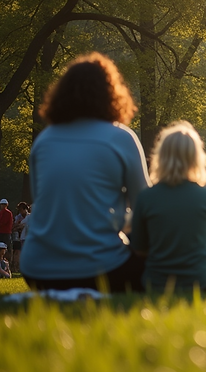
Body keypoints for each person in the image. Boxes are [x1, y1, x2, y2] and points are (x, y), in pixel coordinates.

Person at [20, 53, 149, 291]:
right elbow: (146, 207)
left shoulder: (43, 140)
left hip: (38, 271)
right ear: (112, 93)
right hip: (102, 270)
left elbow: (43, 203)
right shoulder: (121, 138)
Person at [130, 122, 206, 293]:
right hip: (198, 281)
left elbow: (139, 248)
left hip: (156, 282)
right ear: (196, 158)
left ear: (161, 156)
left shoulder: (146, 197)